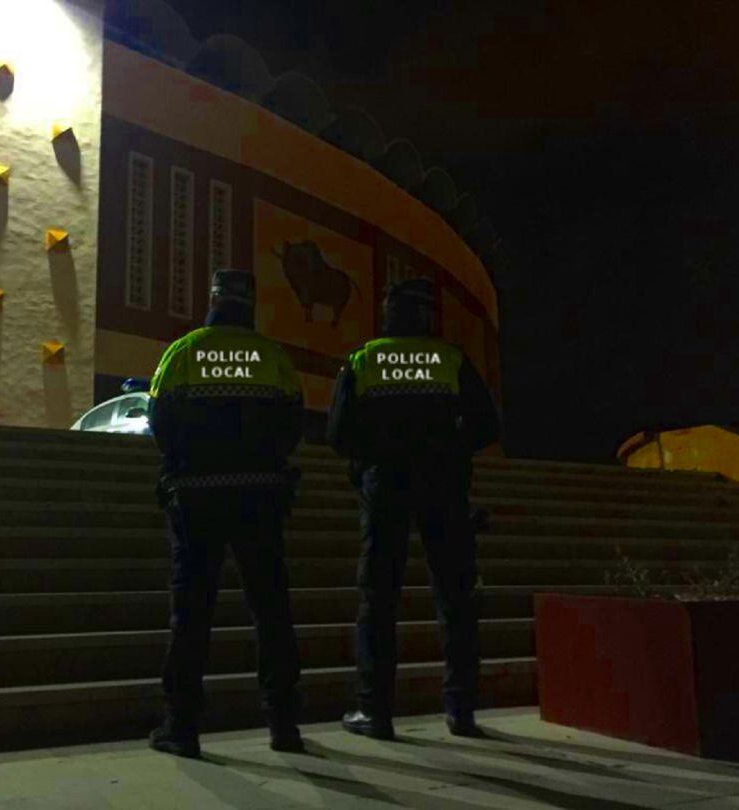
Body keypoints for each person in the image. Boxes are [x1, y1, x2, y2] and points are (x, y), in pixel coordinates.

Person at [326, 277, 501, 740]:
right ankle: (461, 711)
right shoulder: (450, 360)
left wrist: (373, 456)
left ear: (387, 313)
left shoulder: (364, 360)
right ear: (426, 316)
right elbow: (487, 424)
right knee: (456, 599)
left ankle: (374, 711)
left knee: (378, 599)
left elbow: (339, 433)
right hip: (444, 488)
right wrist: (448, 448)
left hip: (385, 489)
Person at [146, 269, 306, 758]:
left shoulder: (184, 351)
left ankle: (182, 727)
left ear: (213, 298)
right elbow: (294, 422)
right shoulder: (273, 357)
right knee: (272, 611)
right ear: (250, 305)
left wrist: (184, 465)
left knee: (191, 614)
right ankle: (283, 725)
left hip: (196, 499)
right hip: (260, 498)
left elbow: (158, 419)